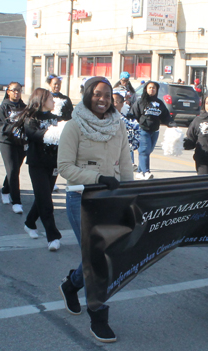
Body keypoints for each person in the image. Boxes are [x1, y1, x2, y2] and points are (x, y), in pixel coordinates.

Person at [58, 76, 133, 343]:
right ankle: (98, 316)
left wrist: (129, 194)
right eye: (97, 94)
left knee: (100, 255)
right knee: (96, 258)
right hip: (81, 199)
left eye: (107, 94)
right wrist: (97, 178)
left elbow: (125, 162)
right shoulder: (73, 126)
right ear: (88, 94)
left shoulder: (118, 125)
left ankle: (71, 285)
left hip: (110, 197)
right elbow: (65, 168)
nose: (102, 99)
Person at [19, 88, 64, 250]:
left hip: (53, 164)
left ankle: (30, 223)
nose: (54, 101)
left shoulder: (56, 118)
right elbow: (33, 134)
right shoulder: (31, 118)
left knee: (42, 196)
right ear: (42, 100)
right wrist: (51, 133)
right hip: (37, 163)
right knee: (45, 200)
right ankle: (53, 236)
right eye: (51, 98)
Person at [128, 81, 173, 180]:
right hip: (142, 129)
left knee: (149, 151)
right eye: (149, 88)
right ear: (146, 89)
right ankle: (146, 172)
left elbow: (165, 116)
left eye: (154, 88)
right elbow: (133, 114)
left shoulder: (160, 103)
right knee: (144, 150)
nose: (151, 90)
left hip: (155, 130)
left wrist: (171, 123)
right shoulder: (140, 102)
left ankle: (140, 171)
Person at [0, 82, 27, 214]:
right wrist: (15, 124)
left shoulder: (24, 107)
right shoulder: (2, 108)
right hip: (7, 142)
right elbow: (2, 127)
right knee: (13, 169)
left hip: (20, 142)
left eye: (19, 90)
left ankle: (5, 189)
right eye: (14, 90)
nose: (16, 93)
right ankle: (16, 202)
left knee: (14, 170)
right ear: (8, 91)